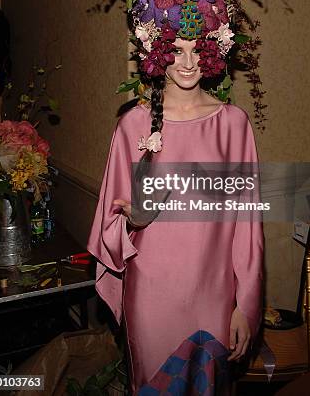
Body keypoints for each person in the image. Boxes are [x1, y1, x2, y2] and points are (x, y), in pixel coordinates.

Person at [87, 35, 264, 394]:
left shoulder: (233, 125)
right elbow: (108, 224)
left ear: (213, 52)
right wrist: (133, 221)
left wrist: (245, 303)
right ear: (157, 53)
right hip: (151, 297)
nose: (188, 62)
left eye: (197, 50)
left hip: (213, 296)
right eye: (176, 51)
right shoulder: (133, 126)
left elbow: (247, 226)